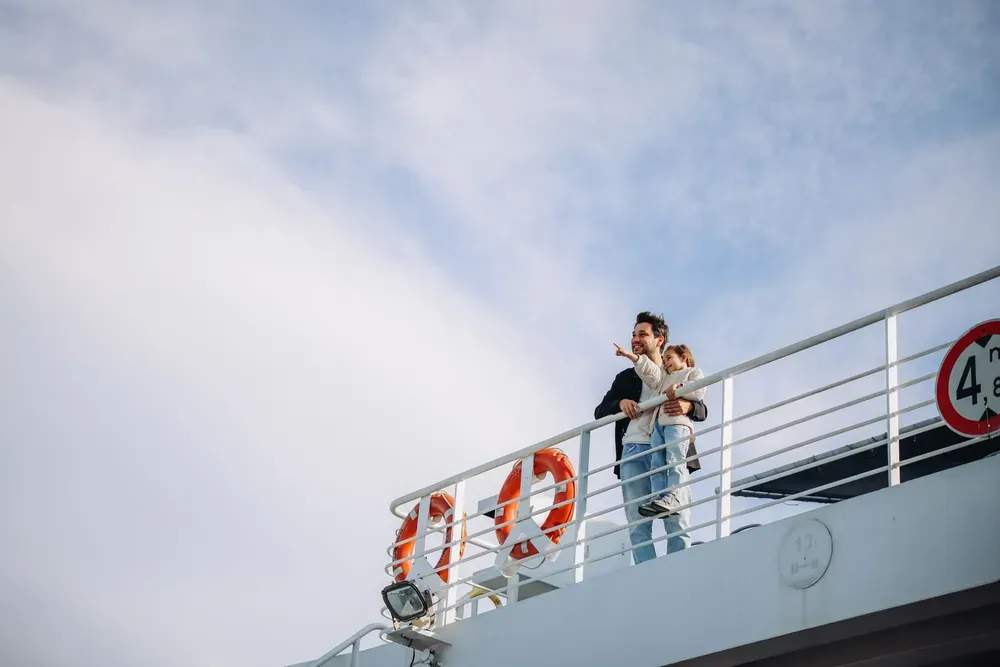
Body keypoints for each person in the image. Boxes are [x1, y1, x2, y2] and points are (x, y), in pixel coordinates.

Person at [593, 312, 707, 564]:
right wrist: (619, 403)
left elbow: (702, 408)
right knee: (637, 520)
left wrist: (688, 407)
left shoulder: (677, 370)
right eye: (633, 334)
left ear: (659, 339)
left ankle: (679, 567)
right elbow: (599, 411)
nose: (635, 339)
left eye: (642, 334)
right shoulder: (626, 377)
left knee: (676, 515)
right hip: (633, 449)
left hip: (669, 445)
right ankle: (647, 571)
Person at [613, 342, 705, 520]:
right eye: (664, 359)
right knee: (658, 462)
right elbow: (650, 372)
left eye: (669, 358)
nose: (666, 362)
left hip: (677, 424)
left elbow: (699, 391)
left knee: (674, 459)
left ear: (683, 357)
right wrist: (633, 357)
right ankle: (660, 497)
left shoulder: (693, 373)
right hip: (658, 425)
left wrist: (679, 388)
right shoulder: (664, 376)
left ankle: (675, 496)